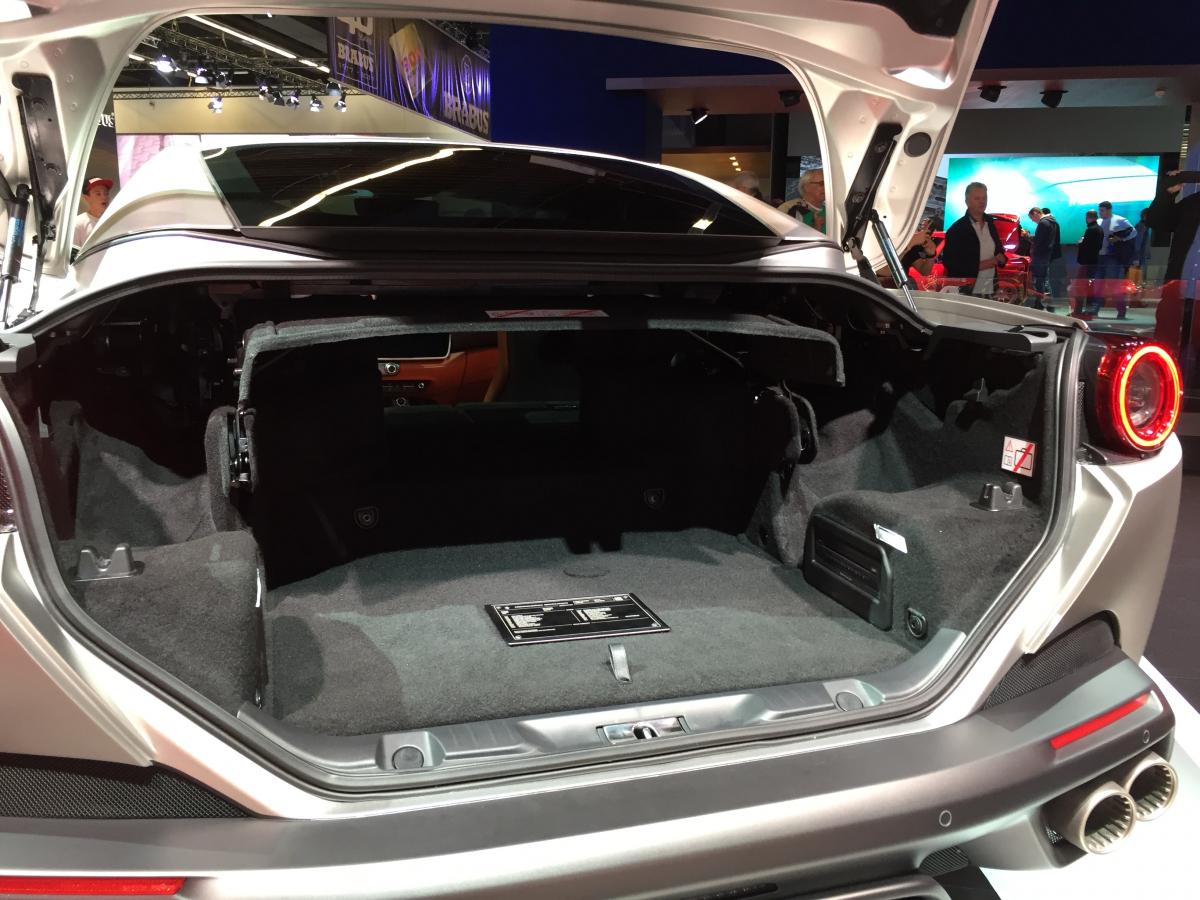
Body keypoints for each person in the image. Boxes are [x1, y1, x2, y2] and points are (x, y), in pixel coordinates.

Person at [1148, 163, 1200, 377]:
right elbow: (1157, 221)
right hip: (1178, 286)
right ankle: (1165, 380)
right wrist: (1167, 194)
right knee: (1166, 342)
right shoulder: (1193, 203)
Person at [941, 181, 1006, 298]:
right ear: (967, 201)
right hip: (966, 292)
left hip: (990, 290)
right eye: (977, 198)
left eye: (984, 198)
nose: (982, 202)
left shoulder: (991, 224)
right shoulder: (957, 229)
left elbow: (998, 250)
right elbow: (950, 263)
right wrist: (983, 264)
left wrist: (1001, 258)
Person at [1096, 200, 1136, 319]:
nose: (1100, 213)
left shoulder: (1120, 220)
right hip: (1099, 256)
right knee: (1097, 284)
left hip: (1112, 256)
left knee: (1114, 284)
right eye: (1100, 210)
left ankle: (1121, 310)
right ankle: (1094, 309)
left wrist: (1120, 238)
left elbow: (1133, 232)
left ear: (1109, 210)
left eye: (1102, 210)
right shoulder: (1098, 221)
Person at [1075, 209, 1104, 316]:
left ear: (1087, 218)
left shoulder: (1090, 230)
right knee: (1090, 286)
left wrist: (1080, 243)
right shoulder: (1099, 229)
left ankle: (1079, 310)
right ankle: (1089, 309)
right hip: (1094, 260)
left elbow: (1086, 247)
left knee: (1082, 286)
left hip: (1087, 262)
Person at [72, 177, 112, 248]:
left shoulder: (115, 220)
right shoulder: (78, 223)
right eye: (98, 194)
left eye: (106, 193)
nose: (104, 197)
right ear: (86, 198)